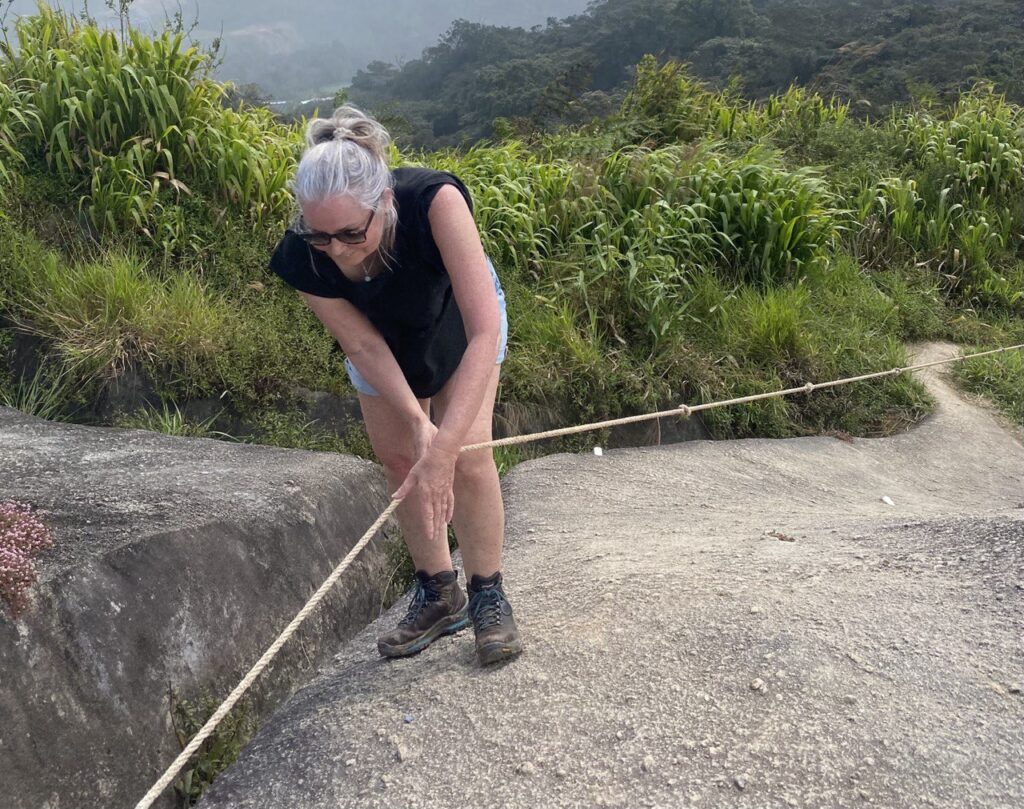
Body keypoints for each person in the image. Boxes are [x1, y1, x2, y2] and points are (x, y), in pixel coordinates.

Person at [268, 106, 522, 666]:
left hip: (456, 318)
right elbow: (360, 345)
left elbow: (484, 331)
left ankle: (487, 593)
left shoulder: (435, 202)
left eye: (352, 233)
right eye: (321, 236)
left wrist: (446, 445)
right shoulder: (302, 255)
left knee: (468, 454)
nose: (336, 249)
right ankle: (438, 591)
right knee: (403, 457)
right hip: (382, 339)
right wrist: (415, 421)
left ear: (383, 200)